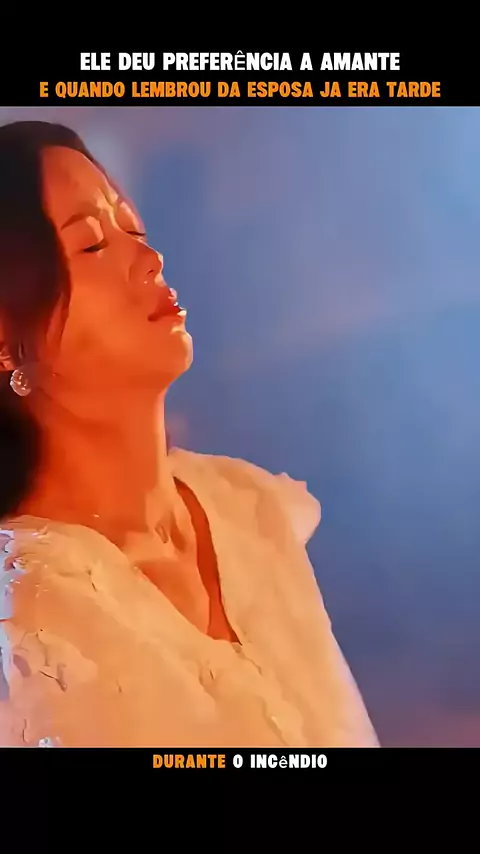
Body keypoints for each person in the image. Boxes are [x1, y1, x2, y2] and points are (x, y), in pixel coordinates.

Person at [0, 120, 378, 748]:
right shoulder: (32, 613)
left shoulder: (246, 509)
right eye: (92, 245)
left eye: (135, 231)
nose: (149, 260)